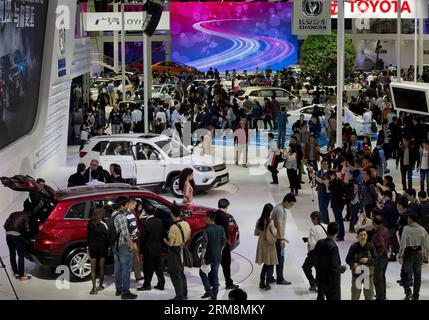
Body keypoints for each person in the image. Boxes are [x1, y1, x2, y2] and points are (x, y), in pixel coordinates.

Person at [111, 197, 137, 300]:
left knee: (117, 267)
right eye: (127, 204)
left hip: (115, 244)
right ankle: (125, 292)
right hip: (122, 245)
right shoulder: (121, 216)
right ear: (122, 205)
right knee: (126, 268)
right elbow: (125, 233)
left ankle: (118, 289)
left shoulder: (113, 214)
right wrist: (131, 244)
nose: (128, 206)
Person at [399, 212, 429, 300]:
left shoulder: (406, 229)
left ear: (410, 219)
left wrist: (400, 254)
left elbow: (403, 243)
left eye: (408, 218)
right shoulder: (422, 229)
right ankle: (416, 295)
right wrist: (426, 253)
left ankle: (408, 292)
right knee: (417, 275)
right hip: (419, 253)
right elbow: (426, 243)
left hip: (408, 253)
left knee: (404, 274)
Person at [164, 205, 191, 300]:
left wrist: (164, 240)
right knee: (181, 272)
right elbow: (188, 236)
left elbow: (170, 244)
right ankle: (184, 293)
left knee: (175, 274)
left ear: (172, 214)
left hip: (174, 251)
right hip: (182, 249)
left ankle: (179, 296)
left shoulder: (173, 228)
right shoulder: (186, 224)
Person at [138, 204, 165, 292]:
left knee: (147, 269)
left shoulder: (146, 224)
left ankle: (147, 285)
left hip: (148, 250)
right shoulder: (159, 221)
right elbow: (162, 235)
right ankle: (161, 284)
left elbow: (143, 239)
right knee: (159, 268)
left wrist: (141, 251)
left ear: (145, 212)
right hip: (158, 248)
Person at [200, 211, 226, 301]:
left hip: (208, 257)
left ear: (209, 218)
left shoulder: (206, 230)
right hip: (218, 256)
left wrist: (202, 257)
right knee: (214, 274)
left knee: (202, 272)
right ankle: (215, 294)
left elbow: (204, 245)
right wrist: (220, 251)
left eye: (205, 217)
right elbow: (224, 241)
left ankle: (208, 290)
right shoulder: (221, 228)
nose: (204, 218)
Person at [270, 193, 296, 285]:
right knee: (280, 259)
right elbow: (278, 224)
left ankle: (270, 277)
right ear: (286, 201)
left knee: (274, 258)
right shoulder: (280, 210)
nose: (291, 206)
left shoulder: (278, 207)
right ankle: (280, 278)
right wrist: (281, 239)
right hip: (277, 238)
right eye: (291, 204)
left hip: (274, 237)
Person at [345, 229, 378, 300]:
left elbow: (376, 260)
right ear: (357, 237)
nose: (363, 236)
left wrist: (368, 260)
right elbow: (348, 259)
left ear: (367, 236)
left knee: (369, 296)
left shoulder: (371, 247)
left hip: (367, 276)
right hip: (357, 276)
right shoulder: (353, 247)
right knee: (355, 296)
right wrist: (353, 263)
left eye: (364, 235)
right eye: (361, 235)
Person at [314, 222, 342, 300]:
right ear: (337, 232)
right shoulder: (333, 247)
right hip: (331, 280)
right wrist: (341, 269)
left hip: (320, 277)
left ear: (327, 230)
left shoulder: (320, 242)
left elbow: (315, 258)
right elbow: (334, 266)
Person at [215, 199, 239, 290]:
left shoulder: (215, 214)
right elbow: (224, 233)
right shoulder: (225, 217)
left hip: (215, 243)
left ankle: (214, 282)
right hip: (223, 245)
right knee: (226, 265)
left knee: (215, 265)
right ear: (226, 206)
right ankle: (228, 283)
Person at [4, 204, 32, 281]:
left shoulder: (13, 214)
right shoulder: (26, 216)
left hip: (8, 235)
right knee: (20, 255)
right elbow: (27, 229)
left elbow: (5, 225)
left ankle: (16, 273)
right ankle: (22, 276)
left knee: (12, 254)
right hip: (16, 236)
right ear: (29, 213)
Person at [302, 211, 327, 292]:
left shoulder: (314, 228)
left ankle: (313, 283)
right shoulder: (327, 227)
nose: (312, 222)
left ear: (316, 219)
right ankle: (318, 284)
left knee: (306, 267)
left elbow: (313, 244)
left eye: (312, 220)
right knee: (319, 269)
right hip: (325, 253)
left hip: (315, 254)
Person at [255, 203, 278, 290]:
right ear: (270, 211)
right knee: (270, 263)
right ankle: (268, 282)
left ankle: (261, 281)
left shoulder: (259, 220)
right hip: (269, 244)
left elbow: (256, 233)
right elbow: (274, 233)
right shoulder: (270, 221)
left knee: (265, 263)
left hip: (261, 244)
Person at [87, 208, 109, 295]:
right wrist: (108, 247)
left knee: (93, 269)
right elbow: (107, 237)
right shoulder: (104, 224)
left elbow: (88, 237)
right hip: (102, 248)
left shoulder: (90, 223)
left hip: (93, 248)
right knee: (101, 268)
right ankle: (100, 285)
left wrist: (88, 247)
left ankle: (93, 288)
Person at [371, 214, 390, 300]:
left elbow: (381, 246)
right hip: (385, 257)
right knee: (382, 277)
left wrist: (376, 257)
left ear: (375, 223)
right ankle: (382, 295)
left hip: (380, 258)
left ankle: (380, 297)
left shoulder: (378, 234)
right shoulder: (385, 230)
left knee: (377, 279)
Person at [124, 199, 143, 282]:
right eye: (134, 205)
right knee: (135, 258)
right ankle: (137, 275)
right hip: (130, 239)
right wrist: (135, 239)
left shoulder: (123, 212)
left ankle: (132, 276)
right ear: (130, 205)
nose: (135, 206)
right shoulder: (130, 214)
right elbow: (133, 228)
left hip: (124, 238)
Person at [327, 170, 345, 241]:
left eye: (330, 176)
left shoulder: (335, 182)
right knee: (338, 219)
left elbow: (328, 190)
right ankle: (340, 235)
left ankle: (341, 235)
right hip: (338, 203)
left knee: (339, 220)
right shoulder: (338, 181)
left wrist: (327, 184)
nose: (329, 177)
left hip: (337, 203)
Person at [312, 159, 331, 224]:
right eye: (323, 164)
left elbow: (323, 181)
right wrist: (313, 176)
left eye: (326, 164)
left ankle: (326, 222)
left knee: (323, 208)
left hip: (326, 192)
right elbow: (316, 181)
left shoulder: (329, 173)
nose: (324, 165)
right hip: (320, 191)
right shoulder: (319, 172)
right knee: (321, 207)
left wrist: (315, 176)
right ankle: (324, 221)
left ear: (328, 165)